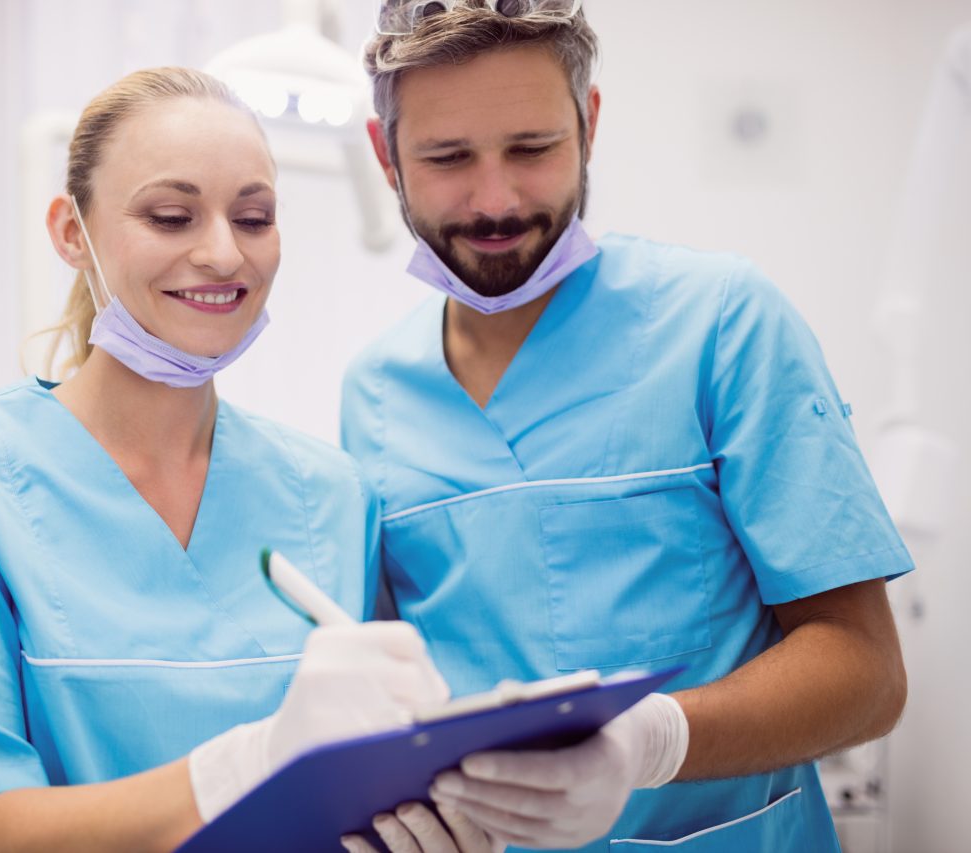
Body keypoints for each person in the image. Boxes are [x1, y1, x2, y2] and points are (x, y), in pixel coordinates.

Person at [339, 2, 912, 850]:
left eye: (532, 148)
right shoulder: (375, 395)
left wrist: (653, 741)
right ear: (386, 156)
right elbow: (392, 694)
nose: (495, 199)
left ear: (589, 123)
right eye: (448, 157)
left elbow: (867, 673)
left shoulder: (723, 324)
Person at [0, 66, 450, 853]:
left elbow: (365, 779)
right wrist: (244, 765)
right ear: (72, 233)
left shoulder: (333, 494)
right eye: (171, 216)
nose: (224, 253)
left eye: (254, 217)